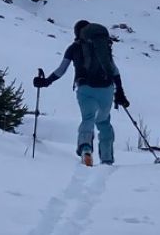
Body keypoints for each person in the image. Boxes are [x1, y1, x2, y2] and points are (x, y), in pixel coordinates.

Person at [35, 18, 129, 166]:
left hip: (85, 88)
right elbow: (114, 70)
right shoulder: (102, 47)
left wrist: (46, 82)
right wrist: (120, 91)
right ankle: (107, 159)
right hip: (106, 89)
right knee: (104, 122)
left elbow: (61, 70)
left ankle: (86, 149)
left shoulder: (73, 48)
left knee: (88, 119)